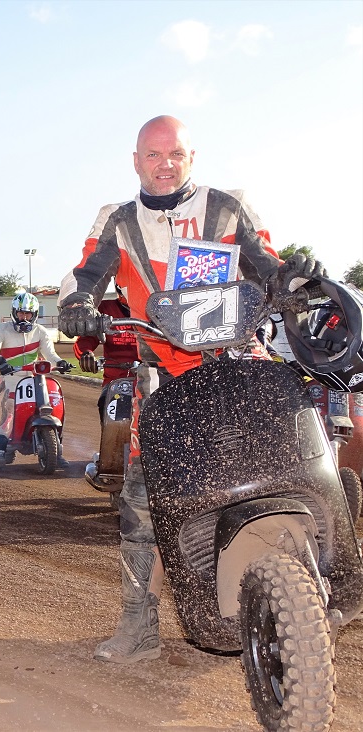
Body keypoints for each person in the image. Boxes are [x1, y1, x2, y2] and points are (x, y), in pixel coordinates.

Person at [57, 115, 324, 664]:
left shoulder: (229, 207)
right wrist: (77, 304)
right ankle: (139, 623)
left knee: (293, 457)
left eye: (175, 154)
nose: (165, 164)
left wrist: (294, 279)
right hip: (162, 375)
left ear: (191, 157)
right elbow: (84, 275)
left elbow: (269, 266)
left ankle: (318, 581)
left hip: (240, 361)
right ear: (136, 161)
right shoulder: (117, 221)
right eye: (154, 155)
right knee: (141, 500)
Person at [0, 291, 70, 466]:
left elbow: (50, 354)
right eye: (21, 313)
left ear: (34, 315)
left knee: (53, 405)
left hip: (35, 378)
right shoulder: (2, 329)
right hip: (10, 377)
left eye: (28, 314)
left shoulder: (40, 331)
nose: (24, 317)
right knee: (8, 410)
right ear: (14, 313)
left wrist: (61, 362)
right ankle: (0, 450)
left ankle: (57, 449)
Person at [72, 285, 139, 422]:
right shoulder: (104, 309)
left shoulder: (153, 309)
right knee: (106, 406)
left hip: (149, 377)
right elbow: (87, 338)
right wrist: (86, 354)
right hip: (115, 379)